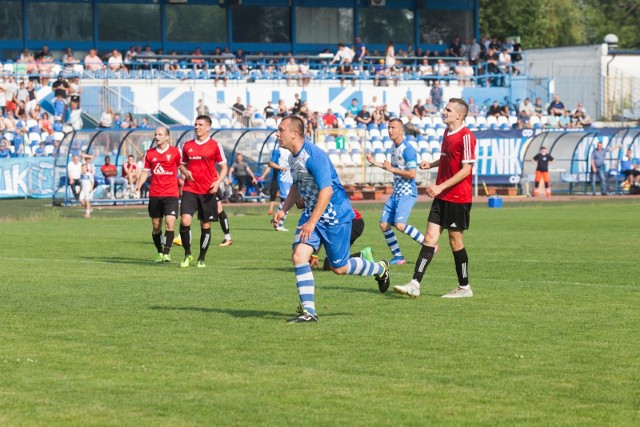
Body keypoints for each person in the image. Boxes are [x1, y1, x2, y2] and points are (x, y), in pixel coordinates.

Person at [272, 116, 390, 323]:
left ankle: (380, 269)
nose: (277, 134)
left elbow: (326, 191)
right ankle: (309, 312)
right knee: (299, 256)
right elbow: (296, 185)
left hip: (334, 215)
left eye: (280, 130)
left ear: (294, 134)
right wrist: (284, 210)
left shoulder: (314, 156)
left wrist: (311, 222)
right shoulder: (292, 157)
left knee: (339, 268)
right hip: (313, 213)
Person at [394, 98, 477, 299]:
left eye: (448, 110)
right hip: (442, 196)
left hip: (458, 197)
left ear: (459, 115)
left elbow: (466, 170)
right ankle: (414, 284)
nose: (444, 112)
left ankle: (464, 287)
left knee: (455, 242)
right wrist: (430, 165)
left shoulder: (466, 137)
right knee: (430, 238)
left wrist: (440, 186)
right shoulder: (447, 133)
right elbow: (447, 159)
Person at [365, 118, 426, 265]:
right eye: (389, 128)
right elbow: (391, 167)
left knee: (399, 225)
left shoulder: (408, 149)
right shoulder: (393, 147)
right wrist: (374, 163)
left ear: (401, 130)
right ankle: (399, 257)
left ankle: (428, 244)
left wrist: (392, 169)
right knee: (384, 224)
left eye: (393, 128)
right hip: (396, 192)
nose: (390, 130)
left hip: (407, 192)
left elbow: (412, 174)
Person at [178, 115, 228, 268]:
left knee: (205, 225)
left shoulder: (215, 145)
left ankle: (201, 258)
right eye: (195, 124)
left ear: (208, 127)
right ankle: (187, 254)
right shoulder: (187, 145)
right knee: (185, 221)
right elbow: (181, 166)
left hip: (207, 191)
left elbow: (224, 167)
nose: (197, 127)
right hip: (190, 189)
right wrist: (185, 172)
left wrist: (218, 182)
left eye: (200, 125)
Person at [134, 127, 182, 262]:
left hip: (171, 193)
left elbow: (182, 167)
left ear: (167, 137)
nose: (157, 136)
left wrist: (186, 177)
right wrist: (139, 183)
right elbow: (145, 171)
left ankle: (167, 253)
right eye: (155, 134)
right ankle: (160, 252)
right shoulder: (149, 153)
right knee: (156, 226)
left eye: (160, 134)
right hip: (155, 194)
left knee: (170, 223)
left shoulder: (175, 152)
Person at [268, 143, 293, 232]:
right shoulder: (278, 151)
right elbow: (270, 163)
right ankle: (278, 224)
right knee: (285, 201)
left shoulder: (291, 150)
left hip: (291, 179)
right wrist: (281, 168)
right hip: (283, 178)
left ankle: (276, 219)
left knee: (289, 201)